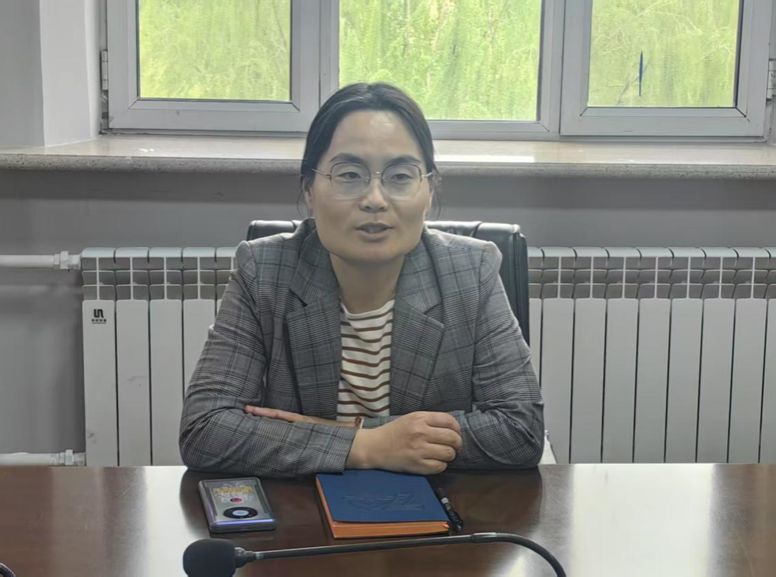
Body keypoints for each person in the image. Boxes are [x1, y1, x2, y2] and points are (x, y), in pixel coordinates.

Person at [179, 83, 544, 479]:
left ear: (428, 191)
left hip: (442, 505)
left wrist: (346, 433)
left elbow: (520, 430)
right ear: (309, 190)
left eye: (400, 176)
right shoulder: (264, 270)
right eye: (349, 175)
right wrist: (369, 446)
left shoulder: (471, 270)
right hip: (302, 508)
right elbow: (205, 429)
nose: (375, 199)